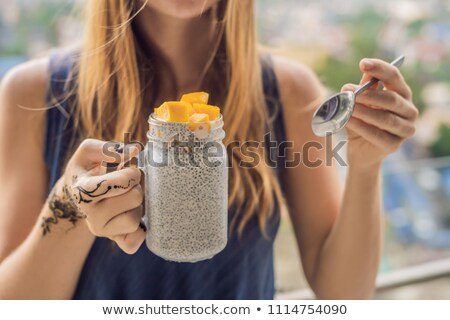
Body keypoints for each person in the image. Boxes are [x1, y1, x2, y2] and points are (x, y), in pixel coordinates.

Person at [0, 0, 417, 299]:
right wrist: (71, 207)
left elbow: (342, 295)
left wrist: (366, 165)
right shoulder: (33, 94)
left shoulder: (289, 91)